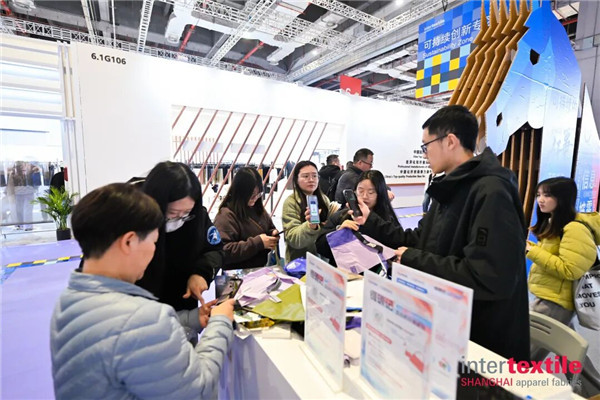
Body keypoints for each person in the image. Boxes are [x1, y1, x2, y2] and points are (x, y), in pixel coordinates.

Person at [354, 105, 530, 361]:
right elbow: (419, 240)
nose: (424, 153)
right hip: (448, 331)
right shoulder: (449, 188)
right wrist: (370, 221)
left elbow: (488, 276)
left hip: (482, 346)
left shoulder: (492, 191)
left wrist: (412, 259)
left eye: (426, 146)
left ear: (450, 141)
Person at [50, 183, 234, 399]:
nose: (154, 252)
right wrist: (220, 323)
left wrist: (192, 318)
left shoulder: (70, 300)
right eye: (154, 242)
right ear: (129, 242)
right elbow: (196, 389)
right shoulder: (140, 317)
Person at [526, 177, 598, 359]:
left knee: (525, 358)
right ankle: (585, 379)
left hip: (554, 302)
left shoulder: (574, 229)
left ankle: (511, 381)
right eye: (538, 194)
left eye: (547, 195)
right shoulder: (556, 223)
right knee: (570, 354)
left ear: (563, 198)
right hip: (551, 297)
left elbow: (570, 270)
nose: (540, 200)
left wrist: (531, 251)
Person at [136, 162, 223, 311]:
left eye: (186, 213)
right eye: (172, 213)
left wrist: (201, 273)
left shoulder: (198, 217)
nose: (179, 220)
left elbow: (215, 250)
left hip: (185, 305)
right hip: (143, 310)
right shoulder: (135, 222)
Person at [317, 170, 401, 266]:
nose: (364, 196)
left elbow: (396, 251)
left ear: (380, 194)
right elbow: (320, 248)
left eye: (371, 192)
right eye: (360, 191)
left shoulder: (387, 223)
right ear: (354, 192)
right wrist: (338, 233)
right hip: (343, 272)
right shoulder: (341, 216)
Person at [214, 167, 279, 270]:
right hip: (238, 275)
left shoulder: (257, 208)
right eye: (252, 195)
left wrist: (272, 233)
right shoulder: (226, 215)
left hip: (260, 271)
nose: (255, 198)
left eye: (258, 194)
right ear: (240, 193)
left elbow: (268, 227)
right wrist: (258, 243)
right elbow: (224, 251)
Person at [283, 160, 339, 262]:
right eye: (305, 176)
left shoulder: (324, 199)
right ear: (296, 179)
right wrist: (310, 226)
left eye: (314, 176)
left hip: (322, 260)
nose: (311, 180)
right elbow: (292, 239)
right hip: (300, 262)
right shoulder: (291, 202)